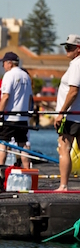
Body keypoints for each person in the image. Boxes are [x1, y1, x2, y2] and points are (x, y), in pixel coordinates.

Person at [0, 52, 33, 168]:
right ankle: (27, 170)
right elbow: (31, 99)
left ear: (9, 63)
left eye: (4, 63)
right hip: (23, 118)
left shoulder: (9, 75)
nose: (3, 66)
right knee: (23, 145)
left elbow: (5, 96)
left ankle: (0, 171)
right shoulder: (26, 76)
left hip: (9, 117)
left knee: (3, 143)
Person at [56, 34, 80, 191]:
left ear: (78, 49)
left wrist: (61, 112)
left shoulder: (77, 64)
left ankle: (63, 185)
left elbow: (73, 91)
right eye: (65, 47)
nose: (67, 50)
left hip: (71, 116)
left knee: (63, 148)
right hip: (76, 115)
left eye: (70, 47)